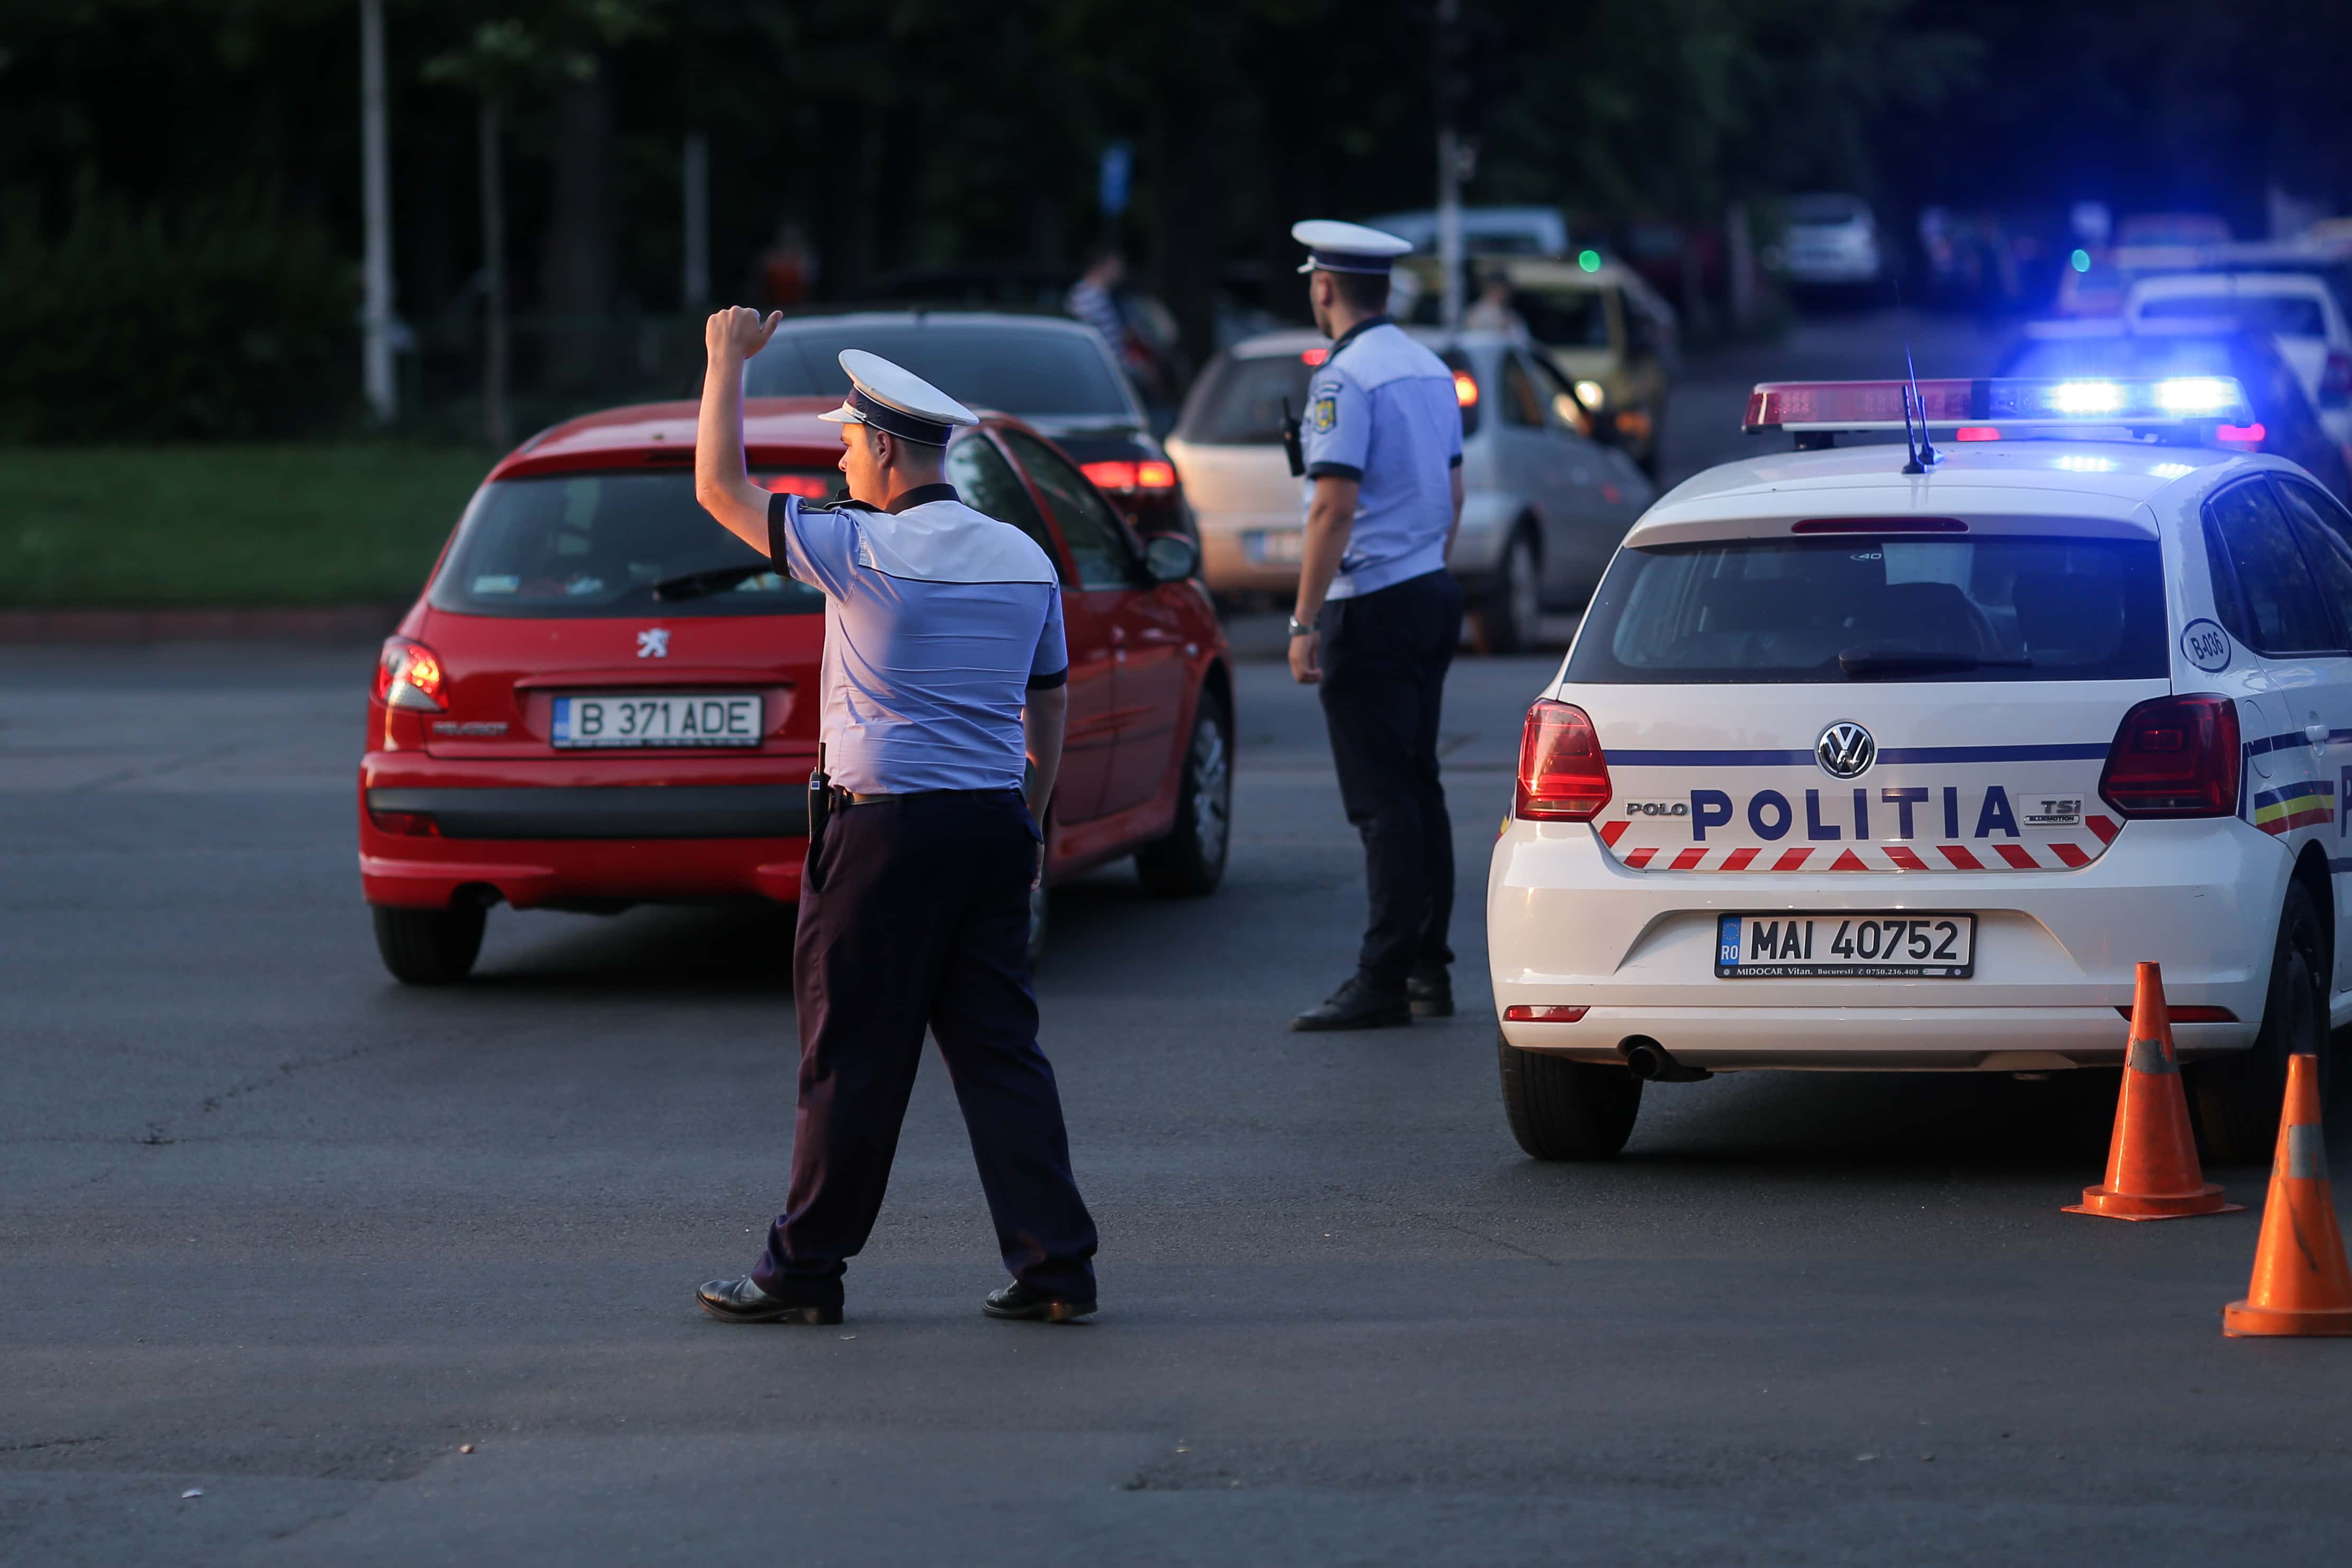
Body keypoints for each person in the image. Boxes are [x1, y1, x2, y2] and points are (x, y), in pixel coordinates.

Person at [688, 310, 1100, 1325]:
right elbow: (1048, 704)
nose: (839, 459)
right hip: (990, 825)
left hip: (879, 835)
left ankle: (803, 1271)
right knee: (1001, 1054)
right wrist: (1029, 821)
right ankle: (1055, 1268)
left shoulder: (857, 546)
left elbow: (718, 490)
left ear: (879, 445)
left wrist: (723, 362)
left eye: (844, 442)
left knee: (850, 1057)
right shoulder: (1021, 555)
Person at [1284, 220, 1466, 1032]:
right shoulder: (1429, 368)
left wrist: (1304, 619)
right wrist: (1423, 565)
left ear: (1324, 286)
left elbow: (1332, 505)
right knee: (1419, 783)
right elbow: (1452, 494)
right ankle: (1428, 967)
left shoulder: (1344, 378)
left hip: (1372, 601)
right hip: (1428, 586)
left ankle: (1383, 976)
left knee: (1383, 799)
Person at [1462, 269, 1525, 335]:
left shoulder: (1513, 316)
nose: (1501, 294)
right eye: (1496, 289)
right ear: (1487, 290)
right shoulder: (1473, 313)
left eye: (1503, 291)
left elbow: (1522, 337)